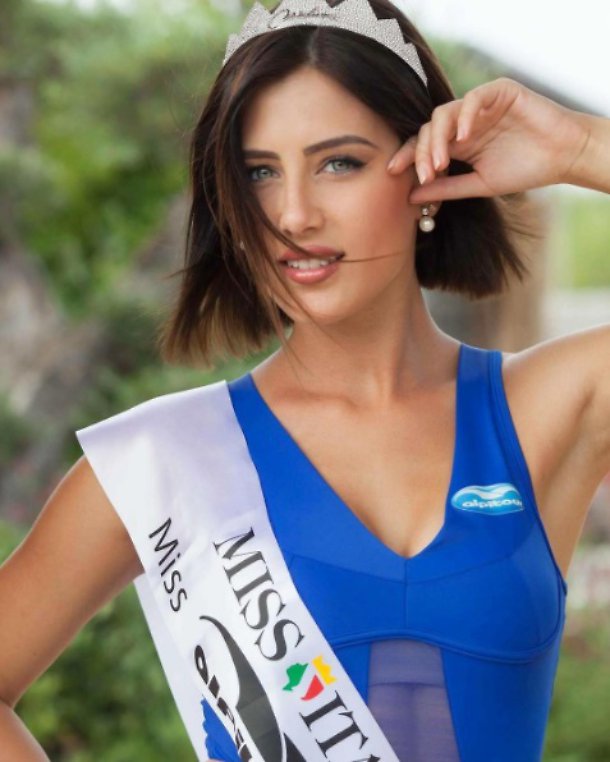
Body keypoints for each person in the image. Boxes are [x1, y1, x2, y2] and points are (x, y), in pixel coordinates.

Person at [1, 0, 609, 759]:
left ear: (427, 169)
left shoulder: (551, 408)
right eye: (259, 173)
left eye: (338, 162)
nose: (293, 214)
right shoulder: (167, 457)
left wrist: (581, 147)